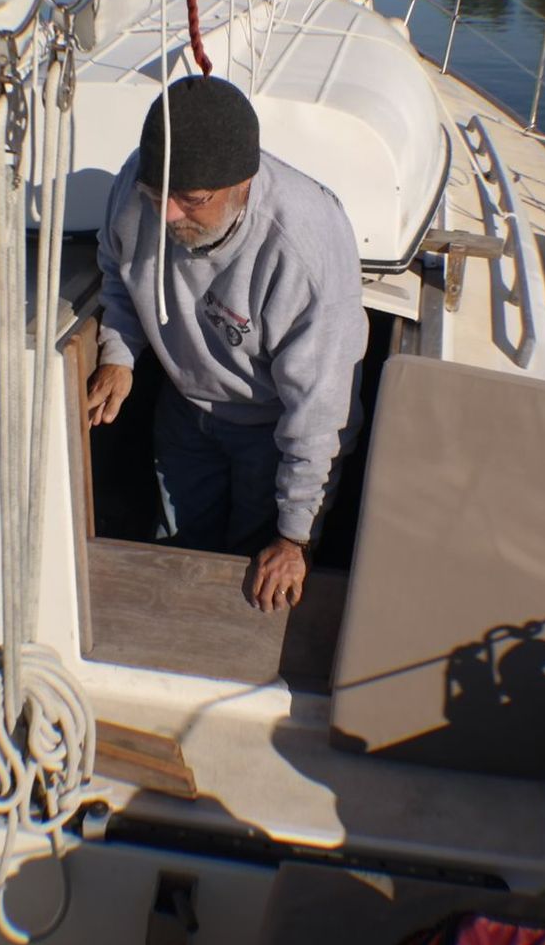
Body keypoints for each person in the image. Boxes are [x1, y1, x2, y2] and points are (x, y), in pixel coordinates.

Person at [87, 75, 366, 613]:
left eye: (192, 199)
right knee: (178, 545)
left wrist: (294, 537)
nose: (168, 214)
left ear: (243, 183)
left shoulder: (304, 250)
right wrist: (120, 353)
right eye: (156, 195)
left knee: (250, 564)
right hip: (183, 410)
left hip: (270, 429)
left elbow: (321, 413)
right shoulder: (137, 185)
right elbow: (117, 269)